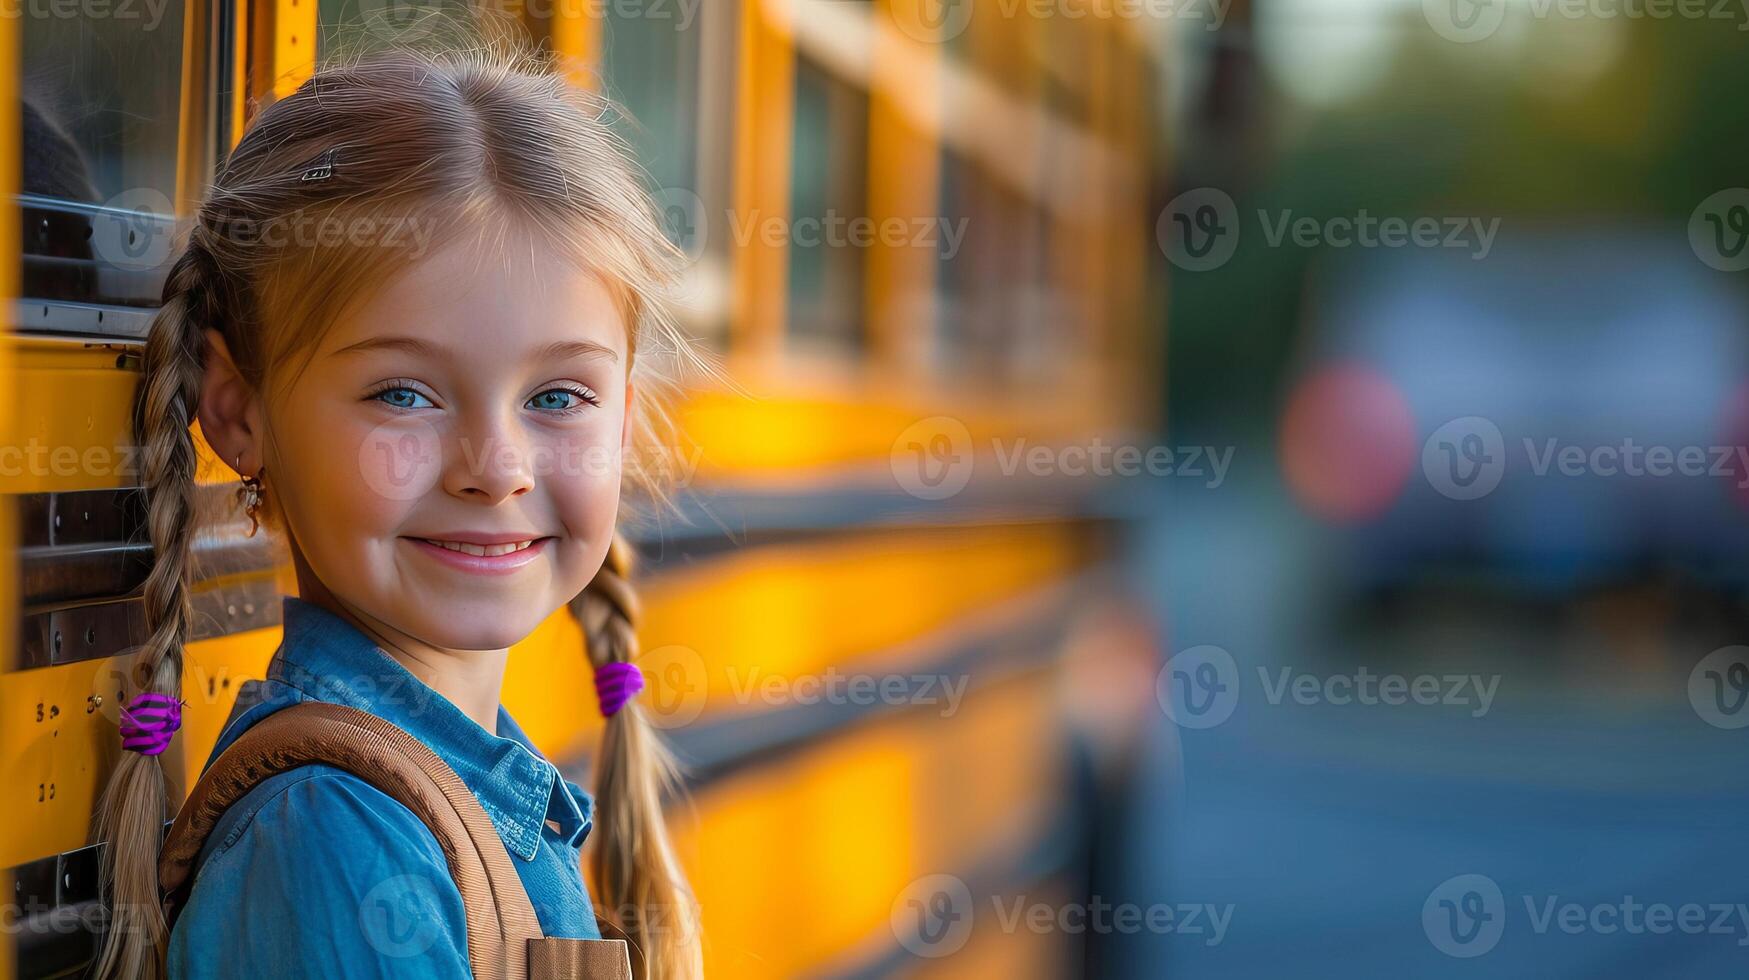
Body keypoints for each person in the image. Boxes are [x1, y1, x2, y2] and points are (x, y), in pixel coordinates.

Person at [90, 38, 715, 980]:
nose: (494, 469)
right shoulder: (336, 844)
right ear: (237, 411)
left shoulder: (456, 791)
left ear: (622, 419)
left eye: (558, 396)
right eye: (404, 394)